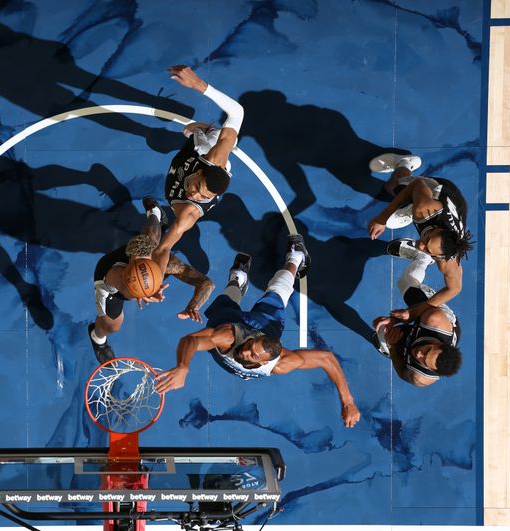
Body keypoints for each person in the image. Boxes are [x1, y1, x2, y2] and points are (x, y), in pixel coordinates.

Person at [155, 235, 361, 428]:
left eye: (252, 354)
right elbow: (191, 340)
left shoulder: (281, 363)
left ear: (264, 362)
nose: (245, 352)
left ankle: (239, 278)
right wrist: (183, 367)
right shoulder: (227, 337)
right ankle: (295, 256)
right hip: (245, 323)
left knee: (233, 299)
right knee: (275, 294)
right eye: (249, 346)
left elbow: (327, 359)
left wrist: (347, 401)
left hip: (263, 329)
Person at [89, 198, 215, 363]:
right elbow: (126, 289)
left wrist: (194, 306)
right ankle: (97, 339)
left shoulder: (161, 257)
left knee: (154, 230)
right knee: (113, 326)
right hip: (109, 284)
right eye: (136, 258)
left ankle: (155, 212)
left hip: (144, 261)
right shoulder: (116, 276)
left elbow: (207, 284)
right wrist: (143, 291)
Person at [151, 65, 244, 272]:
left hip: (180, 180)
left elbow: (164, 248)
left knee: (183, 134)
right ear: (201, 172)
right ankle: (207, 129)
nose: (194, 195)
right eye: (197, 188)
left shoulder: (189, 213)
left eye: (202, 196)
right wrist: (198, 85)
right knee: (202, 135)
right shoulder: (214, 159)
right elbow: (238, 111)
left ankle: (200, 130)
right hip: (204, 151)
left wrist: (155, 279)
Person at [367, 153, 473, 317]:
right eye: (427, 239)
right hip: (436, 189)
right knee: (393, 186)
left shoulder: (448, 260)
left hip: (451, 210)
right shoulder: (425, 209)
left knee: (395, 220)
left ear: (441, 256)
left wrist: (416, 311)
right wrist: (381, 218)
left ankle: (424, 254)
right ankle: (404, 162)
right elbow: (416, 185)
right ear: (439, 229)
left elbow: (455, 288)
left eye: (428, 250)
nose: (420, 245)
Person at [372, 244, 462, 387]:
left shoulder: (421, 378)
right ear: (438, 344)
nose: (419, 353)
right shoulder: (435, 320)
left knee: (384, 334)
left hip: (417, 335)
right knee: (405, 283)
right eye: (427, 351)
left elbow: (402, 372)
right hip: (430, 316)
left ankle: (389, 344)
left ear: (432, 369)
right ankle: (424, 258)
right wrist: (395, 319)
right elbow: (422, 309)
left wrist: (394, 347)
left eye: (424, 359)